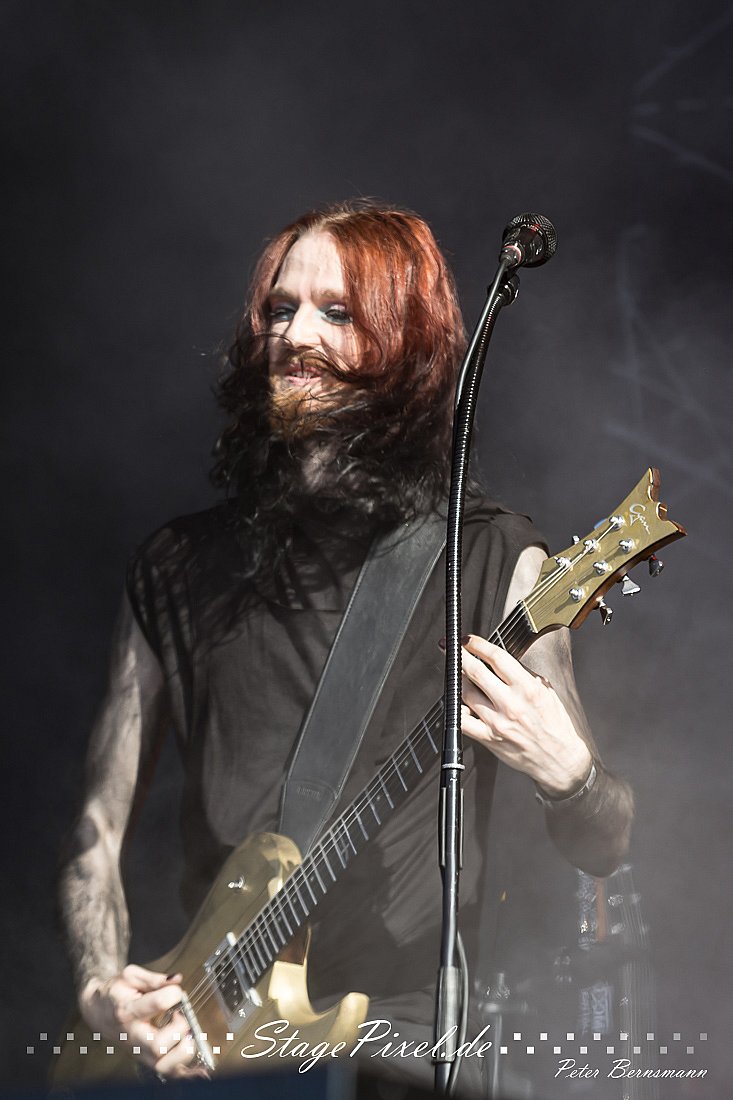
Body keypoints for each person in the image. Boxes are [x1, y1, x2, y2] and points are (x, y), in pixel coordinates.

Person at [59, 201, 633, 1090]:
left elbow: (603, 842)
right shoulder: (176, 564)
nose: (296, 335)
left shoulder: (485, 557)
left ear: (406, 341)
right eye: (280, 310)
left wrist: (571, 778)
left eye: (337, 313)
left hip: (391, 1051)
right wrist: (102, 986)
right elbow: (96, 830)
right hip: (206, 1048)